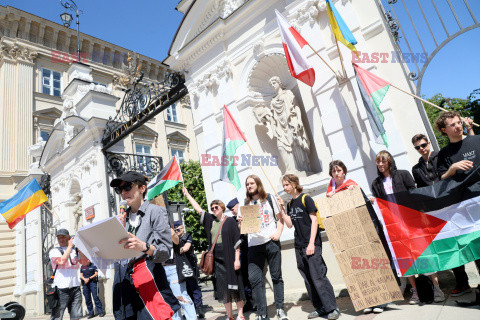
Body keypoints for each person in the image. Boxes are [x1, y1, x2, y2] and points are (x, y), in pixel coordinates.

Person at [110, 171, 180, 320]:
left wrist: (144, 247)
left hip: (148, 276)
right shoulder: (122, 219)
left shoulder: (156, 212)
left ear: (142, 188)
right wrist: (118, 232)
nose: (123, 193)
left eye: (127, 187)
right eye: (119, 190)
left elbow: (166, 252)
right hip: (123, 278)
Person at [278, 174, 340, 320]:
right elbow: (289, 224)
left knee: (318, 277)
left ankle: (333, 308)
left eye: (286, 185)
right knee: (308, 279)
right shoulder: (289, 204)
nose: (285, 188)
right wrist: (281, 209)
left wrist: (312, 243)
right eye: (283, 185)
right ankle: (320, 308)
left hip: (311, 244)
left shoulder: (306, 199)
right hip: (298, 245)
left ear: (294, 184)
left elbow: (314, 222)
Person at [435, 112, 480, 297]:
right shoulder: (444, 154)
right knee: (476, 248)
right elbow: (440, 179)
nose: (457, 126)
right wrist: (452, 169)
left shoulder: (476, 140)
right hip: (465, 207)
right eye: (452, 125)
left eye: (458, 122)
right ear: (444, 130)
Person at [183, 187, 245, 320]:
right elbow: (199, 209)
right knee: (224, 288)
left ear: (222, 207)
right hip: (217, 260)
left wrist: (237, 259)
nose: (214, 210)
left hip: (230, 257)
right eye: (212, 208)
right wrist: (188, 194)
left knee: (235, 286)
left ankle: (240, 314)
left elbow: (237, 242)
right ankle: (230, 316)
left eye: (216, 207)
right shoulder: (210, 220)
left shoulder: (230, 222)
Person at [371, 151, 422, 305]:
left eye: (383, 161)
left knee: (420, 252)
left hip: (410, 221)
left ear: (389, 162)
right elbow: (380, 205)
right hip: (393, 225)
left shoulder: (403, 174)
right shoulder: (376, 183)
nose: (380, 165)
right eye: (378, 162)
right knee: (403, 256)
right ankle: (415, 290)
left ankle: (433, 287)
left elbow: (414, 193)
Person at [238, 175, 288, 320]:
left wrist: (278, 233)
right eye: (247, 184)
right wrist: (240, 223)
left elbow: (280, 219)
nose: (249, 186)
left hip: (271, 243)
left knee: (276, 277)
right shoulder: (245, 204)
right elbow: (243, 229)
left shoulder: (270, 199)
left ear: (258, 184)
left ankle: (280, 309)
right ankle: (262, 313)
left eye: (251, 183)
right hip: (254, 246)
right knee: (255, 279)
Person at [226, 198, 255, 312]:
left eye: (233, 209)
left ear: (238, 206)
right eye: (231, 210)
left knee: (253, 278)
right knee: (244, 279)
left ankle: (256, 301)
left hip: (252, 249)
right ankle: (250, 302)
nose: (233, 212)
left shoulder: (248, 214)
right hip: (241, 252)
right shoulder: (233, 220)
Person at [173, 221, 205, 318]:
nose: (177, 231)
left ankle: (199, 308)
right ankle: (191, 310)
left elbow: (186, 248)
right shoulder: (174, 239)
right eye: (175, 230)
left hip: (189, 266)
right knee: (185, 289)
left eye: (178, 229)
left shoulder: (187, 236)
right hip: (179, 267)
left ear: (183, 228)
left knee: (194, 287)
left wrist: (177, 250)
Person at [49, 228, 82, 320]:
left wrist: (80, 247)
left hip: (75, 287)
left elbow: (85, 261)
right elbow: (62, 261)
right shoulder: (54, 251)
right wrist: (70, 247)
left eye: (63, 237)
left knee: (76, 317)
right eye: (59, 238)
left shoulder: (74, 250)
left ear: (68, 237)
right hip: (61, 289)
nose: (61, 240)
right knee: (57, 317)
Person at [166, 225, 198, 320]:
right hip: (160, 268)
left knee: (182, 297)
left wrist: (166, 224)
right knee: (170, 301)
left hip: (173, 267)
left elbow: (177, 241)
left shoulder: (171, 231)